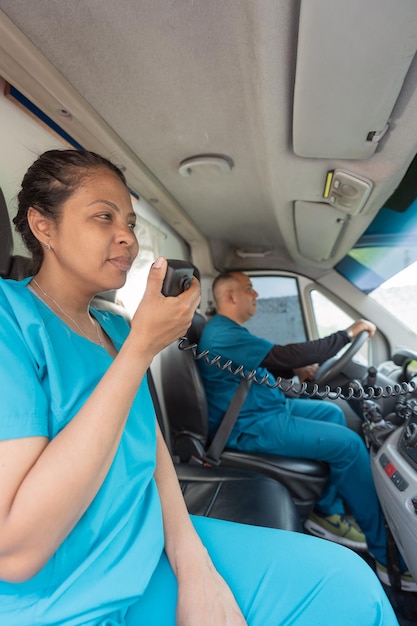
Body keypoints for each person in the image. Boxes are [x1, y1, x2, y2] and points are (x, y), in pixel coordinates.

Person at [0, 149, 400, 626]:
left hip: (143, 529)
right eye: (103, 217)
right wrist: (140, 350)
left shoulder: (116, 327)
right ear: (43, 226)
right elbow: (17, 552)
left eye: (129, 221)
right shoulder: (11, 321)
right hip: (67, 583)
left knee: (349, 584)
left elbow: (150, 451)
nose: (126, 236)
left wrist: (195, 569)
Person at [198, 270, 416, 593]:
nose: (256, 295)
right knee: (350, 446)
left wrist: (295, 368)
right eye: (249, 289)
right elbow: (285, 354)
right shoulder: (220, 334)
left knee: (331, 413)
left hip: (269, 408)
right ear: (230, 297)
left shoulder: (229, 331)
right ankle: (387, 556)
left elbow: (271, 361)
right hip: (251, 425)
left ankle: (328, 512)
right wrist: (345, 334)